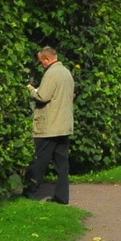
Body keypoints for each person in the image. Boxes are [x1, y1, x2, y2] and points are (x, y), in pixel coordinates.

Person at [26, 45, 76, 203]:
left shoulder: (51, 73)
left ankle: (30, 193)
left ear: (47, 59)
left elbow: (43, 96)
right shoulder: (66, 72)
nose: (42, 65)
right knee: (62, 164)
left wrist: (31, 90)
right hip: (63, 125)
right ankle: (62, 197)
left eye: (42, 62)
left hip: (49, 126)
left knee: (39, 160)